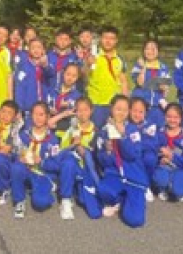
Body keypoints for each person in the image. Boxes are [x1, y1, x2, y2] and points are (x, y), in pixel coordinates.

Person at [97, 95, 148, 228]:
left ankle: (130, 201)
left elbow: (133, 155)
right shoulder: (104, 131)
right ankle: (120, 200)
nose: (121, 113)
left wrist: (123, 136)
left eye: (125, 110)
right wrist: (107, 152)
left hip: (133, 177)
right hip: (114, 175)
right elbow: (102, 160)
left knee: (135, 220)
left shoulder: (132, 130)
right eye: (118, 109)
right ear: (111, 109)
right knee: (103, 190)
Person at [10, 102, 61, 219]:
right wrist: (19, 157)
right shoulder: (24, 135)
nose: (37, 118)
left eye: (41, 115)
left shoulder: (53, 139)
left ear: (47, 116)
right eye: (35, 114)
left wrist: (42, 161)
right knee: (17, 167)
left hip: (42, 174)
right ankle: (19, 200)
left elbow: (56, 165)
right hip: (26, 171)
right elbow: (13, 152)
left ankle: (43, 190)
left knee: (40, 203)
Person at [58, 97, 102, 220]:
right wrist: (73, 144)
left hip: (87, 170)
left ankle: (83, 190)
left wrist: (84, 150)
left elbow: (97, 154)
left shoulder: (96, 131)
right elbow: (62, 151)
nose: (82, 113)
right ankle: (66, 199)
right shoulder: (71, 128)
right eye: (79, 110)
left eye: (85, 110)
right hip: (72, 166)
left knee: (91, 208)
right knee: (68, 161)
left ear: (91, 111)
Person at [85, 26, 129, 128]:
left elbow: (123, 82)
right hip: (95, 103)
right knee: (95, 132)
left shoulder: (120, 59)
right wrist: (88, 64)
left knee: (112, 133)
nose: (108, 41)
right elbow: (84, 76)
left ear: (116, 41)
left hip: (114, 105)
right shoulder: (93, 55)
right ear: (101, 39)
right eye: (105, 38)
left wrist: (125, 102)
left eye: (112, 38)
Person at [153, 103, 183, 203]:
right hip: (163, 166)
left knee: (179, 191)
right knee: (161, 179)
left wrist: (172, 157)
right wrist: (160, 158)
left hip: (180, 168)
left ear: (181, 118)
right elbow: (153, 150)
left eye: (176, 117)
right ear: (164, 116)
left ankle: (177, 185)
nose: (172, 120)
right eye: (169, 116)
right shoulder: (159, 133)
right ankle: (163, 188)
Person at [130, 39, 171, 128]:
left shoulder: (163, 67)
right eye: (147, 48)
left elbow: (165, 88)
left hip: (157, 106)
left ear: (158, 51)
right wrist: (144, 67)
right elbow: (140, 83)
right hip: (141, 107)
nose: (150, 51)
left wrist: (162, 87)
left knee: (158, 130)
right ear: (144, 51)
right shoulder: (138, 65)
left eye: (153, 49)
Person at [13, 38, 53, 121]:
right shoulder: (23, 68)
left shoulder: (47, 66)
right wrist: (19, 109)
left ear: (43, 50)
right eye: (33, 47)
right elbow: (19, 89)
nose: (36, 50)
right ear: (29, 50)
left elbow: (51, 75)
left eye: (39, 47)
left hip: (44, 108)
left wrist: (45, 66)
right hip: (28, 109)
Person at [128, 97, 159, 203]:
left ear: (145, 113)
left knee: (150, 158)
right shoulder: (125, 124)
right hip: (129, 153)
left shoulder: (149, 125)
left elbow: (151, 143)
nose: (137, 114)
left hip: (143, 152)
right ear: (129, 110)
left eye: (141, 112)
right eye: (134, 111)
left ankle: (146, 185)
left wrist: (138, 146)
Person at [47, 63, 83, 140]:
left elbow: (76, 117)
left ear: (77, 77)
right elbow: (46, 104)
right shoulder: (52, 90)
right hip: (49, 128)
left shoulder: (78, 96)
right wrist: (50, 109)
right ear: (63, 73)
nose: (70, 78)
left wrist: (68, 106)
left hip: (65, 130)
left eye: (74, 76)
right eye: (68, 74)